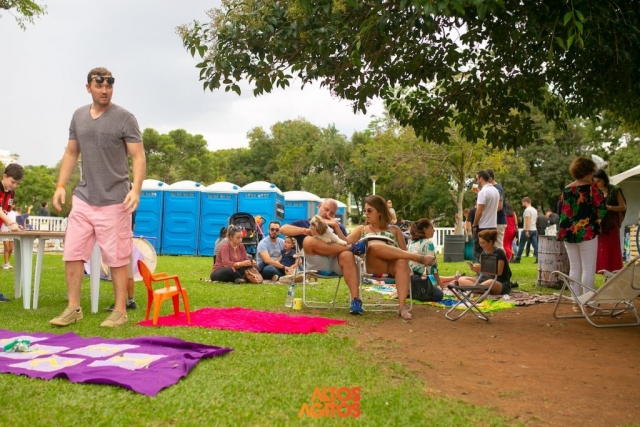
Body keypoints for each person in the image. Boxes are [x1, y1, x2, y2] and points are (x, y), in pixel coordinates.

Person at [49, 67, 146, 328]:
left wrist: (136, 189)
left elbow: (138, 156)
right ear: (88, 87)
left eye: (109, 86)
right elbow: (72, 152)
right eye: (99, 85)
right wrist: (61, 185)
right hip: (83, 197)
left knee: (116, 257)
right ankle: (73, 308)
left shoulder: (125, 118)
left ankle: (120, 311)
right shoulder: (79, 116)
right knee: (72, 253)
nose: (105, 90)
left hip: (115, 199)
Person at [346, 195, 437, 320]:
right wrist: (334, 228)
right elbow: (344, 243)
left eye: (369, 210)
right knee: (373, 247)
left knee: (402, 260)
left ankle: (402, 307)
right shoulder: (361, 229)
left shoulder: (394, 230)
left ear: (380, 211)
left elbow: (403, 251)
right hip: (374, 265)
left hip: (392, 266)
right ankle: (417, 257)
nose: (366, 213)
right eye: (365, 210)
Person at [281, 199, 363, 314]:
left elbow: (344, 241)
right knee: (308, 241)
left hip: (335, 262)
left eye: (332, 213)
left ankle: (356, 301)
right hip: (317, 263)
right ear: (319, 206)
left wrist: (335, 226)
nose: (328, 214)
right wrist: (305, 231)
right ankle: (353, 248)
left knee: (347, 254)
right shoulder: (307, 223)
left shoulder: (337, 226)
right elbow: (283, 229)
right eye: (326, 209)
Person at [557, 157, 606, 312]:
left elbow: (562, 209)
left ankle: (576, 303)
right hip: (587, 232)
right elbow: (602, 209)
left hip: (568, 232)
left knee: (575, 267)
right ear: (588, 171)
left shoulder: (566, 189)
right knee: (588, 268)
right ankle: (589, 302)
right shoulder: (593, 188)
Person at [455, 230, 512, 295]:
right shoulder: (483, 254)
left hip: (499, 282)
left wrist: (481, 269)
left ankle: (474, 289)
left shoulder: (499, 252)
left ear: (490, 242)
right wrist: (476, 269)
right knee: (461, 279)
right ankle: (480, 290)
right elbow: (483, 272)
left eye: (483, 243)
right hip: (482, 281)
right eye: (480, 243)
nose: (481, 245)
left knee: (490, 282)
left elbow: (499, 272)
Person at [593, 169, 627, 272]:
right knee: (602, 247)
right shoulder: (596, 192)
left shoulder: (615, 189)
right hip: (600, 224)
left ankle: (614, 270)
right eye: (595, 181)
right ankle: (603, 270)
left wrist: (609, 207)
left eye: (599, 181)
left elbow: (623, 207)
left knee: (613, 247)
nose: (597, 183)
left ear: (604, 179)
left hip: (612, 223)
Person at [0, 164, 25, 302]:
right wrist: (10, 223)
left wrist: (11, 225)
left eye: (17, 183)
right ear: (4, 176)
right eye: (12, 182)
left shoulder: (11, 194)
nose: (14, 185)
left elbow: (4, 212)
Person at [405, 218, 445, 301]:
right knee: (439, 295)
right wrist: (439, 282)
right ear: (425, 229)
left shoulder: (411, 242)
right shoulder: (428, 243)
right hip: (416, 278)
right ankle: (415, 293)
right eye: (432, 228)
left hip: (406, 276)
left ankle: (410, 291)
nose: (434, 231)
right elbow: (431, 267)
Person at [471, 170, 499, 260]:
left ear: (481, 179)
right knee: (490, 251)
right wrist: (479, 193)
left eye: (477, 179)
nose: (477, 181)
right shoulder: (495, 191)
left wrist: (475, 225)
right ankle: (490, 268)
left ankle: (478, 267)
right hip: (493, 225)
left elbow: (479, 211)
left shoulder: (483, 192)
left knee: (479, 250)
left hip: (483, 226)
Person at [513, 197, 539, 263]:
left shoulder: (527, 210)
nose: (522, 203)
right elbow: (536, 219)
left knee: (522, 244)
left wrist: (526, 230)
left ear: (525, 202)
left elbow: (527, 220)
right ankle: (538, 258)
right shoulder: (534, 210)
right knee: (535, 245)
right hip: (534, 229)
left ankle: (518, 258)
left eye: (522, 202)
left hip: (527, 229)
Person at [485, 168, 506, 249]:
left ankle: (501, 257)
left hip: (499, 221)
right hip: (494, 221)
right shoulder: (492, 189)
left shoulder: (497, 189)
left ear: (490, 179)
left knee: (498, 245)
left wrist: (488, 213)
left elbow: (500, 206)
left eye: (485, 179)